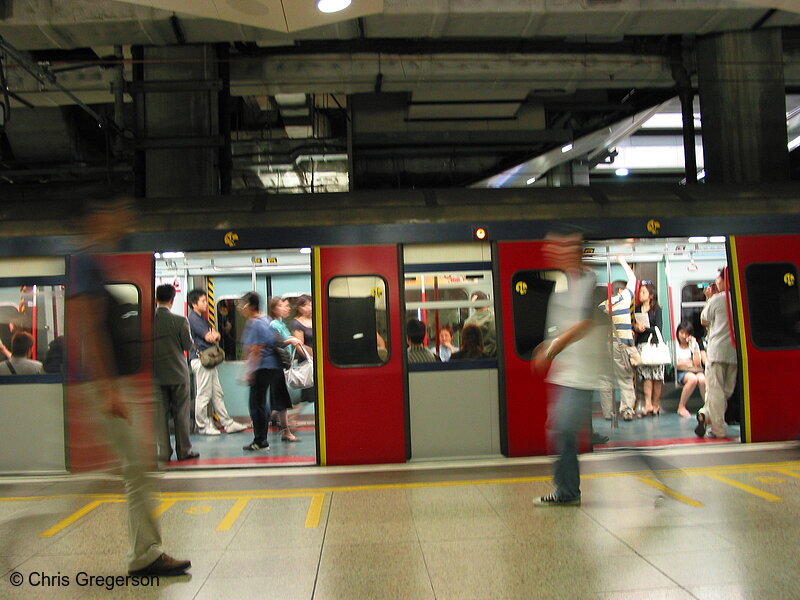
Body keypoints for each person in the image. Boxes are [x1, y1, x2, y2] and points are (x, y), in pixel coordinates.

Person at [68, 198, 190, 576]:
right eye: (115, 213)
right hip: (108, 385)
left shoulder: (94, 263)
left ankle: (147, 551)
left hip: (112, 385)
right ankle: (145, 555)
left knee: (137, 468)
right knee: (137, 470)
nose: (123, 221)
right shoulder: (86, 264)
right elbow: (87, 328)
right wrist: (106, 388)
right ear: (97, 218)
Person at [533, 232, 609, 507]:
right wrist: (547, 347)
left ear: (577, 251)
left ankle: (568, 492)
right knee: (558, 429)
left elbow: (584, 323)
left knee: (562, 429)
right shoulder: (564, 285)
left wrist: (550, 350)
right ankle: (567, 489)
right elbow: (563, 327)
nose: (557, 252)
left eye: (564, 247)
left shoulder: (589, 282)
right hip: (566, 372)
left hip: (581, 373)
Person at [187, 288, 247, 435]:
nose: (206, 303)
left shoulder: (202, 318)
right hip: (201, 361)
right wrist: (214, 335)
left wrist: (215, 334)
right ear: (194, 304)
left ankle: (227, 422)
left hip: (208, 361)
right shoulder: (194, 319)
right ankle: (202, 425)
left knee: (217, 393)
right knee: (204, 394)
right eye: (203, 301)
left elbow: (217, 334)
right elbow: (211, 337)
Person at [153, 284, 198, 462]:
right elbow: (187, 346)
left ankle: (164, 451)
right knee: (181, 413)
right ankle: (184, 450)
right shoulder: (180, 321)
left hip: (156, 374)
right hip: (178, 373)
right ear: (172, 300)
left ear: (156, 299)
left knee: (160, 415)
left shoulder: (148, 321)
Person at [696, 269, 737, 438]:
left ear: (724, 280)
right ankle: (705, 416)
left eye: (718, 279)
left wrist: (708, 298)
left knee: (715, 392)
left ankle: (717, 428)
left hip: (716, 352)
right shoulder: (738, 298)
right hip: (734, 352)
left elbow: (704, 320)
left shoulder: (717, 299)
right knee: (726, 391)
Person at [239, 291, 280, 451]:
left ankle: (260, 440)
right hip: (270, 367)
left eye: (243, 305)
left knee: (256, 404)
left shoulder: (256, 323)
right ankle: (262, 437)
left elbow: (256, 349)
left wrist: (250, 371)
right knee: (261, 403)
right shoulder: (266, 319)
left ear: (251, 306)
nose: (242, 309)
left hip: (261, 367)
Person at [598, 255, 638, 421]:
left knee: (605, 379)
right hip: (621, 346)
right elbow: (633, 278)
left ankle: (608, 412)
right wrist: (622, 260)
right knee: (626, 378)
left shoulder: (604, 305)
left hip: (606, 345)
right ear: (621, 290)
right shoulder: (624, 298)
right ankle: (627, 411)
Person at [267, 296, 303, 442]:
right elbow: (275, 343)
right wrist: (290, 340)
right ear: (275, 308)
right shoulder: (273, 325)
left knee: (280, 400)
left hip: (281, 366)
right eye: (284, 306)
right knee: (280, 400)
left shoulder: (281, 324)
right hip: (275, 366)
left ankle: (284, 430)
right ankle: (284, 431)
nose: (288, 308)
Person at [634, 283, 664, 416]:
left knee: (656, 376)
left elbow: (658, 328)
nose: (641, 294)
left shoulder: (656, 309)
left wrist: (646, 328)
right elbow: (634, 326)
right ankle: (648, 404)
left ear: (651, 295)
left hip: (654, 345)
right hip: (642, 344)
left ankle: (656, 404)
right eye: (640, 292)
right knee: (646, 376)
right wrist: (637, 328)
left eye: (644, 292)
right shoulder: (638, 309)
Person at [675, 322, 706, 418]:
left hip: (695, 370)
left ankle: (708, 406)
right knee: (692, 379)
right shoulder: (675, 345)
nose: (684, 336)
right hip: (682, 372)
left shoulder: (693, 344)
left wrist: (695, 347)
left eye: (686, 334)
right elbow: (676, 363)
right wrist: (688, 362)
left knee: (702, 379)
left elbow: (697, 363)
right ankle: (681, 406)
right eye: (682, 333)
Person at [290, 294, 315, 404]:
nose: (309, 308)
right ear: (299, 308)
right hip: (307, 361)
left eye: (310, 305)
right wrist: (312, 357)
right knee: (310, 391)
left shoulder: (316, 318)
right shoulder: (297, 323)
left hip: (320, 360)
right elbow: (299, 345)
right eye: (306, 305)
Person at [464, 291, 496, 357]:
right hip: (496, 357)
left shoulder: (468, 322)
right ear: (486, 302)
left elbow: (466, 345)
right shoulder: (496, 318)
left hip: (477, 359)